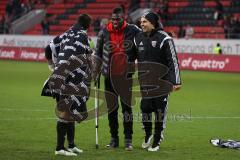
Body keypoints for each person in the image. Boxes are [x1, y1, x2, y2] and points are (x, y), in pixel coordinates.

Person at [42, 13, 92, 156]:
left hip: (59, 76)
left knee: (70, 111)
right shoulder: (84, 37)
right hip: (70, 79)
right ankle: (59, 148)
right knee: (66, 112)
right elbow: (89, 59)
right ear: (87, 26)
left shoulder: (65, 34)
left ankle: (71, 145)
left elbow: (48, 48)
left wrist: (52, 66)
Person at [93, 7, 140, 151]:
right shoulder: (104, 32)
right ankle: (114, 139)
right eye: (112, 19)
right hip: (109, 76)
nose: (114, 21)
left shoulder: (134, 30)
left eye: (117, 19)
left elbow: (141, 47)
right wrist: (95, 72)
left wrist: (138, 61)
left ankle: (128, 140)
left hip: (125, 76)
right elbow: (98, 54)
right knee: (112, 109)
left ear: (123, 18)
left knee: (127, 109)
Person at [134, 12, 181, 152]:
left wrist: (176, 81)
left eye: (145, 22)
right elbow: (130, 57)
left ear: (153, 23)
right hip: (145, 82)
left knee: (160, 112)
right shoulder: (138, 38)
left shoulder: (165, 39)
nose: (142, 24)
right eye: (141, 22)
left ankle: (156, 140)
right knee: (145, 109)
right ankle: (148, 134)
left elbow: (173, 61)